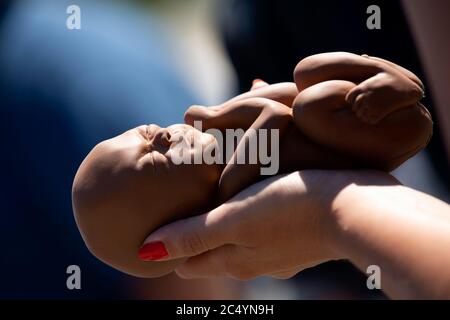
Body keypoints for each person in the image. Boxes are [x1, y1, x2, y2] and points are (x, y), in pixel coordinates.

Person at [72, 52, 431, 278]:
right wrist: (222, 113)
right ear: (179, 213)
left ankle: (398, 81)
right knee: (311, 104)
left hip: (367, 113)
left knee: (307, 71)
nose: (167, 135)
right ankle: (398, 87)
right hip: (382, 131)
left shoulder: (224, 150)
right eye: (158, 157)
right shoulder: (234, 182)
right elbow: (274, 112)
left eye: (152, 131)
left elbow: (275, 99)